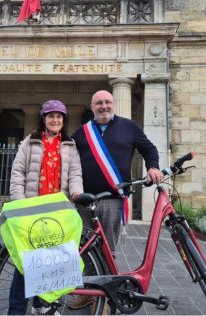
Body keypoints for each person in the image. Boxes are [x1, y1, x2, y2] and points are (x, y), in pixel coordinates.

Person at [68, 90, 162, 309]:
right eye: (99, 103)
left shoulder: (129, 127)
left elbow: (149, 149)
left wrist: (153, 166)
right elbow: (68, 159)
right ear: (92, 107)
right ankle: (89, 293)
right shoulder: (82, 133)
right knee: (85, 250)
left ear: (114, 104)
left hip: (112, 201)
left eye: (107, 102)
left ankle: (103, 299)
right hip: (85, 202)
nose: (104, 106)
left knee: (106, 251)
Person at [8, 100, 83, 315]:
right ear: (43, 119)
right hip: (32, 209)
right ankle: (16, 310)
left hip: (58, 211)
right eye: (51, 116)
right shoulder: (29, 143)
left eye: (59, 116)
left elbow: (75, 174)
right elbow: (18, 173)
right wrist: (19, 203)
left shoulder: (69, 145)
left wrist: (76, 193)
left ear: (64, 120)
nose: (55, 120)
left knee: (51, 262)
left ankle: (42, 305)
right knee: (26, 264)